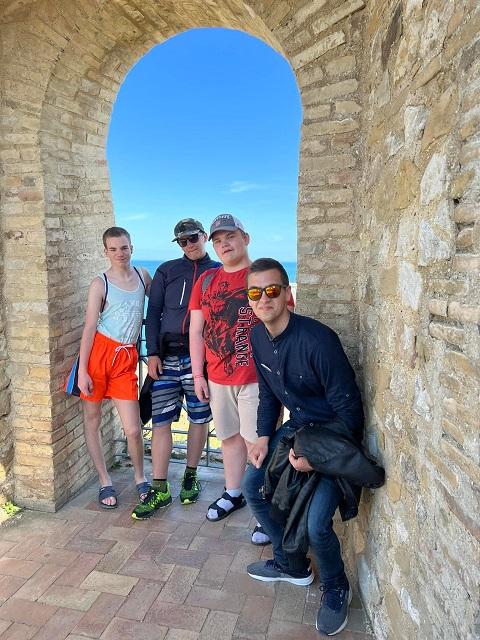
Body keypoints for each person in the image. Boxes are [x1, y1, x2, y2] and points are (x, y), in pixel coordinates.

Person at [242, 257, 365, 637]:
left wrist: (314, 457)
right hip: (298, 427)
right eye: (255, 293)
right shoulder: (257, 337)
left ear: (287, 294)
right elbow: (268, 395)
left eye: (271, 290)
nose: (264, 298)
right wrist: (263, 437)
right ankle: (290, 563)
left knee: (315, 524)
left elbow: (351, 415)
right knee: (252, 485)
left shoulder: (318, 341)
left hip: (334, 437)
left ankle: (336, 586)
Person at [189, 214, 275, 545]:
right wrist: (199, 374)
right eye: (218, 240)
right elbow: (197, 330)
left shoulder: (262, 275)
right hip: (217, 376)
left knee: (258, 444)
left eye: (231, 237)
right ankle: (234, 492)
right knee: (229, 438)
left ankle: (264, 509)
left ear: (245, 238)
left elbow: (282, 320)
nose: (224, 244)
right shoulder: (206, 281)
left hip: (257, 376)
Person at [131, 219, 220, 519]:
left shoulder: (217, 272)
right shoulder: (167, 270)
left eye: (193, 238)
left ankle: (190, 476)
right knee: (161, 420)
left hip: (201, 359)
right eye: (182, 241)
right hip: (166, 357)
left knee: (199, 417)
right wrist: (153, 353)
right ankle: (160, 488)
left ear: (204, 237)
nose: (189, 244)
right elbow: (154, 311)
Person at [78, 226, 152, 512]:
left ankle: (140, 477)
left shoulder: (143, 276)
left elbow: (161, 306)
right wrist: (83, 370)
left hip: (125, 358)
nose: (120, 253)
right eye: (113, 249)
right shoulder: (101, 283)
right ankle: (104, 480)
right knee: (92, 419)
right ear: (105, 252)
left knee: (132, 428)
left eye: (124, 247)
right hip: (99, 355)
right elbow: (89, 327)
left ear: (132, 247)